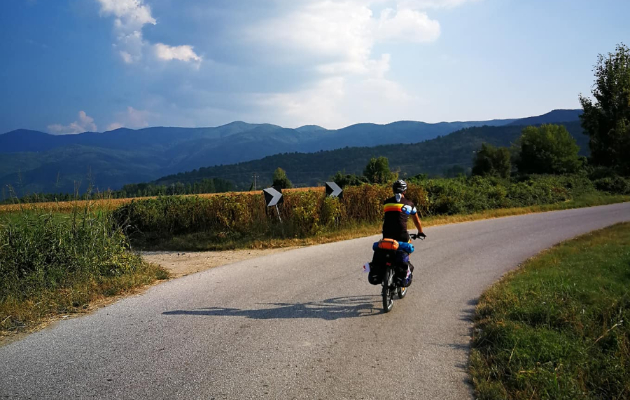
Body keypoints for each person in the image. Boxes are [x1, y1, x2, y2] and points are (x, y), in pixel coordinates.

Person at [381, 179, 426, 286]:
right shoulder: (410, 204)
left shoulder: (386, 203)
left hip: (386, 233)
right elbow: (417, 221)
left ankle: (389, 269)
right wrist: (420, 232)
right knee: (407, 248)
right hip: (402, 233)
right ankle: (403, 267)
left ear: (393, 190)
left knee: (388, 250)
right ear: (404, 191)